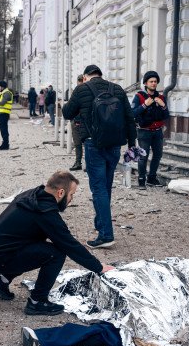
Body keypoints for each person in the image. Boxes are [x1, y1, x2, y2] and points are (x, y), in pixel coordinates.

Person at [0, 170, 114, 315]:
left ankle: (2, 282)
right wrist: (98, 267)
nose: (71, 199)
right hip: (1, 256)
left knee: (36, 244)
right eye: (72, 195)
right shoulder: (44, 211)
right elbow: (69, 244)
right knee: (56, 253)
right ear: (61, 193)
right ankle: (37, 302)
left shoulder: (33, 195)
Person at [63, 64, 136, 249]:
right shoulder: (117, 89)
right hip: (114, 144)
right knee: (106, 187)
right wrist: (132, 144)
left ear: (86, 76)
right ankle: (101, 224)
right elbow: (129, 118)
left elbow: (67, 113)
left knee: (98, 189)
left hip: (93, 143)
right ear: (101, 75)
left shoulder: (81, 89)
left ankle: (106, 235)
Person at [131, 71, 169, 188]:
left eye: (155, 81)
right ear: (146, 83)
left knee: (158, 155)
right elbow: (132, 113)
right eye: (151, 81)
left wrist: (163, 105)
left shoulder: (161, 97)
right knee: (143, 156)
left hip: (158, 132)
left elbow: (166, 115)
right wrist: (144, 105)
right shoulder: (139, 96)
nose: (153, 83)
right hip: (144, 131)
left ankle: (152, 178)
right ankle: (141, 180)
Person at [0, 80, 14, 150]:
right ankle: (4, 143)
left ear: (2, 87)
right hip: (2, 113)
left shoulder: (6, 93)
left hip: (4, 113)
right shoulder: (3, 92)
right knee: (3, 129)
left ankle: (5, 144)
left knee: (4, 129)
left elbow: (2, 103)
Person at [69, 75, 85, 171]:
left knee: (81, 143)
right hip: (77, 120)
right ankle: (79, 162)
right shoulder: (77, 91)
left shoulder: (79, 91)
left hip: (80, 121)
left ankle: (79, 162)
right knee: (78, 143)